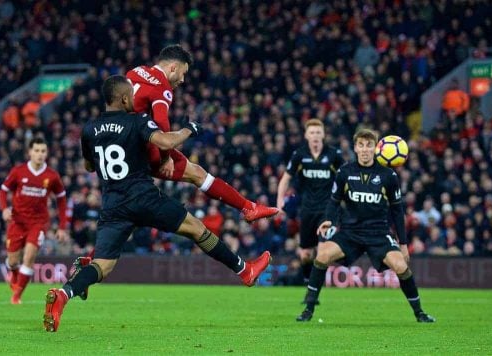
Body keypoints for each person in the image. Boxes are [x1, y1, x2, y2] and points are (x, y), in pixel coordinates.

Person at [43, 75, 271, 332]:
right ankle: (244, 271)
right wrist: (189, 129)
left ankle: (63, 294)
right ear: (124, 98)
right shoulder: (136, 120)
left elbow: (88, 165)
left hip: (113, 205)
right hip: (143, 197)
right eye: (131, 95)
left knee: (103, 266)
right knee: (197, 228)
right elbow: (165, 142)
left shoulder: (89, 129)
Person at [126, 44, 278, 222]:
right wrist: (165, 158)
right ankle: (248, 208)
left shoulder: (135, 72)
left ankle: (249, 207)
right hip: (140, 148)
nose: (182, 79)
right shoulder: (162, 87)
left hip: (117, 141)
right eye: (183, 73)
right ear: (173, 67)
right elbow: (162, 124)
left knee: (121, 214)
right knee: (197, 177)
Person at [296, 128, 435, 323]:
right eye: (361, 145)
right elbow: (334, 201)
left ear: (376, 148)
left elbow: (397, 211)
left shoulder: (388, 176)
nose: (364, 149)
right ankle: (308, 309)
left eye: (369, 145)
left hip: (378, 233)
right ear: (355, 148)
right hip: (350, 233)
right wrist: (329, 220)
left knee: (401, 266)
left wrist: (403, 244)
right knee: (323, 255)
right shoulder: (345, 172)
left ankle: (419, 313)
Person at [276, 119, 344, 292]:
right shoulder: (300, 155)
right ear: (306, 135)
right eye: (312, 132)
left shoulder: (334, 154)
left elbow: (346, 177)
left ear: (323, 135)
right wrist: (279, 202)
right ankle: (308, 281)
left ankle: (313, 292)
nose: (315, 135)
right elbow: (285, 179)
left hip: (327, 210)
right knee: (305, 254)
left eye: (318, 132)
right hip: (306, 210)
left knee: (322, 251)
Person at [0, 137, 69, 304]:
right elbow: (3, 190)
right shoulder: (18, 171)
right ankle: (14, 274)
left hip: (38, 223)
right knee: (12, 261)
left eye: (43, 151)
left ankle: (17, 296)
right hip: (17, 222)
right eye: (36, 151)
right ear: (30, 152)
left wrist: (61, 226)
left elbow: (61, 199)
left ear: (47, 153)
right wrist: (4, 209)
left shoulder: (52, 176)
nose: (40, 154)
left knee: (29, 257)